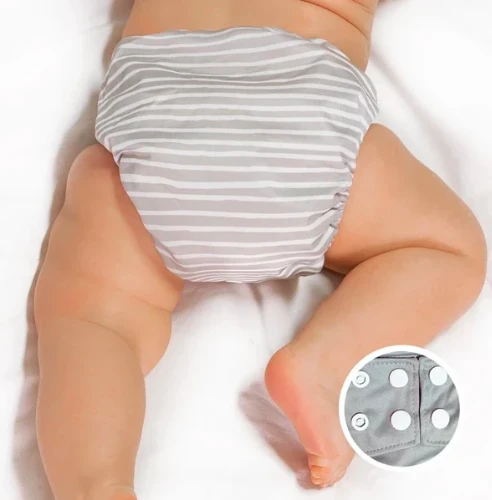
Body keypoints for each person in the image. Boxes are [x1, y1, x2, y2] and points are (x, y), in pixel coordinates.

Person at [34, 0, 487, 498]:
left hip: (160, 118)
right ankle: (327, 365)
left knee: (97, 321)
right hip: (306, 122)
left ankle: (97, 483)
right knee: (448, 249)